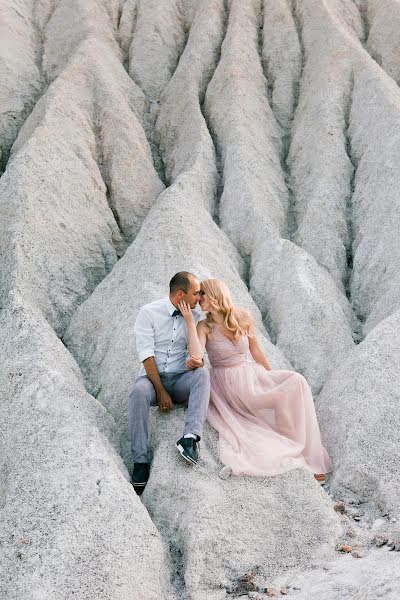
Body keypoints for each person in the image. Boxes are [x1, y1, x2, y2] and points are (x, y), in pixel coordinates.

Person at [178, 278, 332, 483]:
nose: (198, 299)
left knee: (296, 381)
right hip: (227, 384)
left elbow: (256, 351)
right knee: (275, 401)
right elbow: (197, 356)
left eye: (202, 294)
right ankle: (295, 454)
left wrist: (271, 377)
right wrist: (189, 322)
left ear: (215, 295)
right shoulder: (204, 325)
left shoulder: (243, 317)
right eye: (197, 295)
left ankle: (300, 449)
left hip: (251, 374)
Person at [129, 272, 211, 491]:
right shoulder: (148, 312)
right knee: (138, 390)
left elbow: (197, 357)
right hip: (153, 380)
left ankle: (190, 438)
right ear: (181, 294)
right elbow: (146, 354)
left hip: (180, 379)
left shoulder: (193, 318)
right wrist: (161, 391)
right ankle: (140, 461)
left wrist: (194, 362)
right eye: (195, 294)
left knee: (203, 374)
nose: (199, 298)